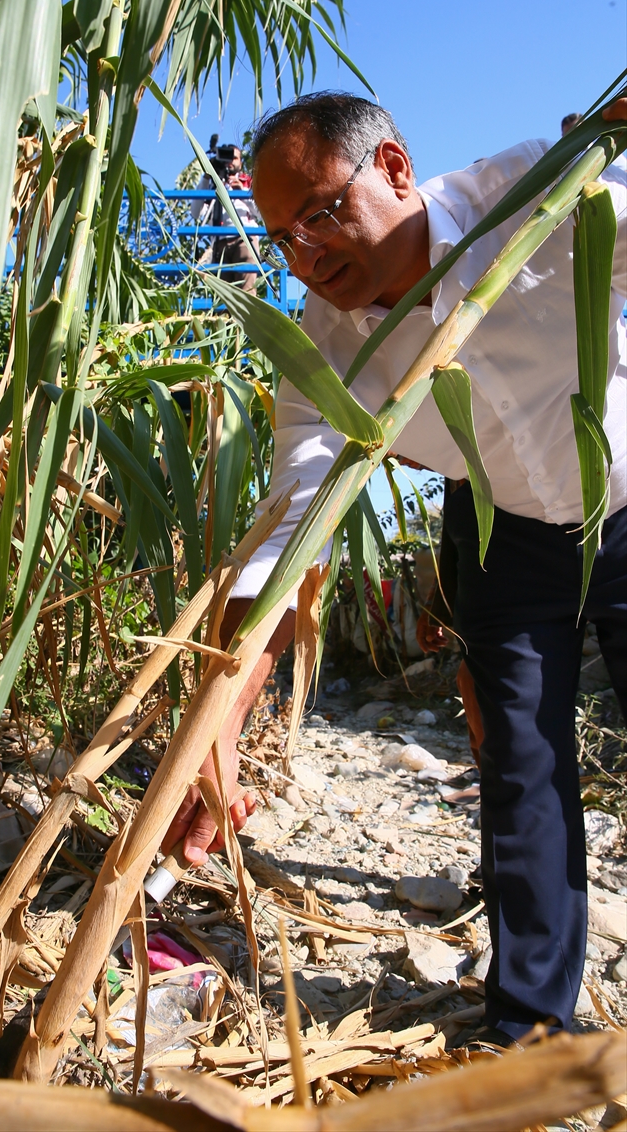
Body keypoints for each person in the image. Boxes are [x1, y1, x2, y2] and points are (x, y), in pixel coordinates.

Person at [166, 91, 627, 1046]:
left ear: (396, 169)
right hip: (508, 530)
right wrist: (216, 725)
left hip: (626, 494)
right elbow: (291, 536)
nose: (308, 255)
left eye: (323, 213)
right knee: (523, 765)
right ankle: (530, 1030)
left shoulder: (540, 200)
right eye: (283, 237)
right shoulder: (322, 349)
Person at [191, 139, 261, 292]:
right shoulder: (212, 185)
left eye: (234, 158)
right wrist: (207, 177)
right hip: (219, 242)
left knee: (246, 293)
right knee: (224, 299)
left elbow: (262, 213)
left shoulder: (248, 182)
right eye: (226, 157)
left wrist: (242, 193)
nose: (230, 162)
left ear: (241, 163)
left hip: (245, 239)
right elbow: (195, 213)